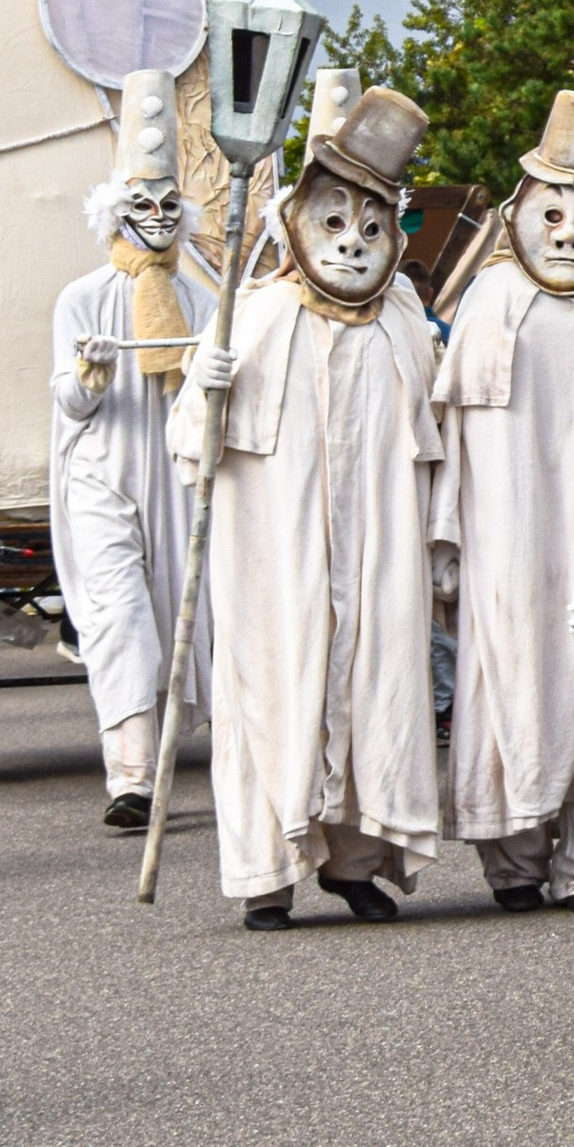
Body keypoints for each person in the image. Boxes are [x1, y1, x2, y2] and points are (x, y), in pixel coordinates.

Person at [174, 82, 449, 931]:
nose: (353, 243)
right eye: (334, 222)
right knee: (275, 685)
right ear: (298, 223)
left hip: (378, 554)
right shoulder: (256, 316)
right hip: (277, 559)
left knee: (376, 685)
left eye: (372, 226)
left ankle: (356, 860)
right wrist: (206, 392)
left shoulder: (404, 320)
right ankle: (265, 869)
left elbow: (437, 441)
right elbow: (195, 445)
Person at [433, 89, 574, 912]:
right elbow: (454, 427)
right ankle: (516, 860)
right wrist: (446, 533)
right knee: (513, 678)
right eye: (554, 214)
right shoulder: (492, 302)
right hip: (511, 536)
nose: (567, 235)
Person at [47, 66, 214, 831]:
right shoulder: (82, 298)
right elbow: (72, 400)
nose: (154, 215)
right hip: (104, 471)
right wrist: (87, 370)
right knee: (120, 615)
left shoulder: (203, 296)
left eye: (166, 204)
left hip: (175, 473)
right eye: (140, 203)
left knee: (178, 610)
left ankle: (174, 747)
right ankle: (133, 777)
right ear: (117, 211)